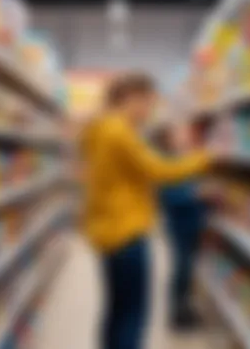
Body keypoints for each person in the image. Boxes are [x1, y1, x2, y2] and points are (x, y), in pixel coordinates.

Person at [79, 72, 212, 349]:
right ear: (132, 98)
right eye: (149, 103)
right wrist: (204, 159)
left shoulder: (98, 129)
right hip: (126, 231)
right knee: (132, 314)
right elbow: (158, 169)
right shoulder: (118, 131)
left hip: (106, 230)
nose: (149, 112)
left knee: (116, 309)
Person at [158, 123, 208, 331]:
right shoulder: (166, 163)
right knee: (182, 268)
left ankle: (185, 308)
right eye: (180, 134)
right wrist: (198, 194)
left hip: (192, 223)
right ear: (169, 140)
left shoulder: (185, 159)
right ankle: (177, 314)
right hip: (179, 225)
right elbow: (170, 197)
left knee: (188, 269)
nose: (185, 137)